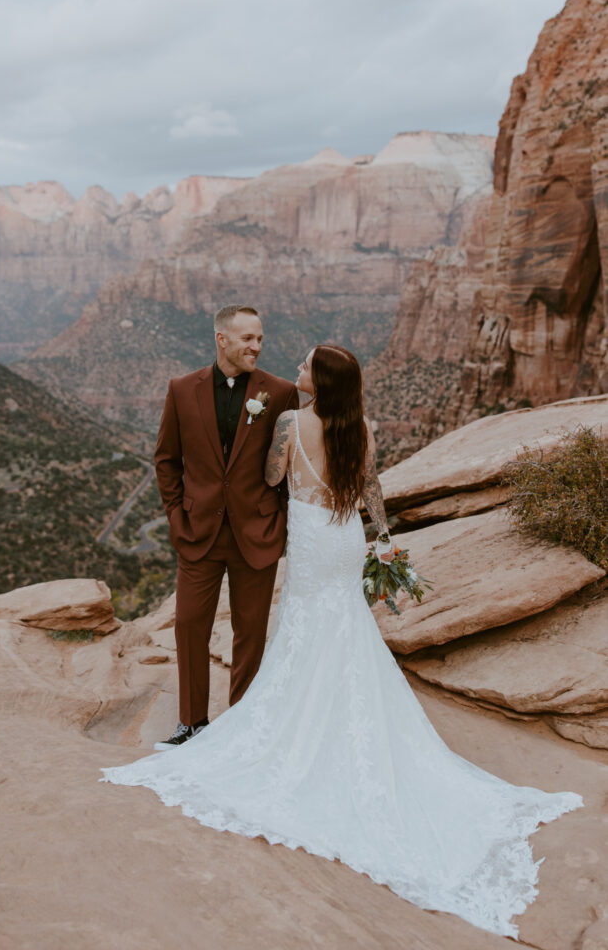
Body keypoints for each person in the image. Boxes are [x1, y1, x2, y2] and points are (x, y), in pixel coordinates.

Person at [101, 343, 582, 938]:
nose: (297, 369)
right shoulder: (360, 428)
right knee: (345, 628)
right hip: (346, 539)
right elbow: (371, 487)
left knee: (304, 627)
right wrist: (383, 540)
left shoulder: (289, 423)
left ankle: (304, 724)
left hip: (309, 540)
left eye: (305, 366)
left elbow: (274, 477)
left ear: (320, 382)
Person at [152, 304, 299, 748]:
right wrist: (177, 518)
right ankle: (191, 722)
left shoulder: (281, 392)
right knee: (189, 625)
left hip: (257, 533)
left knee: (250, 632)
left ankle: (243, 723)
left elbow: (291, 466)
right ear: (222, 340)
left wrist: (282, 523)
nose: (257, 346)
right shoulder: (181, 390)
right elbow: (165, 460)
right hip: (198, 534)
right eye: (247, 339)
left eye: (259, 338)